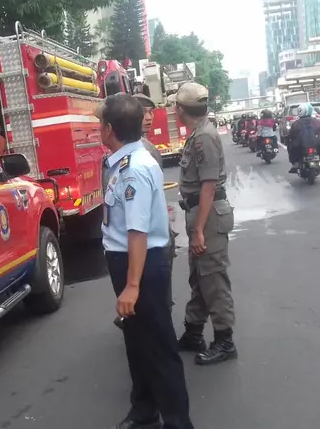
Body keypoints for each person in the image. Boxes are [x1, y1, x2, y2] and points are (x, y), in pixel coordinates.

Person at [97, 93, 194, 429]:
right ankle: (144, 410)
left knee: (158, 347)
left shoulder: (134, 168)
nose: (98, 129)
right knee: (137, 342)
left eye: (100, 124)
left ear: (109, 129)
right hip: (127, 261)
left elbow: (137, 231)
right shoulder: (121, 161)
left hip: (140, 264)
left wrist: (132, 286)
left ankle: (179, 422)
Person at [172, 83, 237, 366]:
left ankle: (224, 342)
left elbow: (208, 187)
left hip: (207, 217)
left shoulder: (205, 138)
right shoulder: (198, 134)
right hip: (200, 213)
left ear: (181, 110)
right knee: (200, 278)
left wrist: (199, 230)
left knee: (213, 280)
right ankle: (193, 332)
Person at [110, 93, 178, 331]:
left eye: (151, 112)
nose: (149, 118)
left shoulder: (138, 161)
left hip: (145, 251)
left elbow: (138, 226)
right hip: (138, 251)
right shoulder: (127, 156)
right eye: (144, 113)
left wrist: (132, 284)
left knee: (154, 322)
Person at [286, 102, 320, 173]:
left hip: (301, 146)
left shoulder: (296, 123)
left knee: (291, 146)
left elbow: (291, 135)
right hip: (315, 144)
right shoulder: (316, 121)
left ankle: (295, 163)